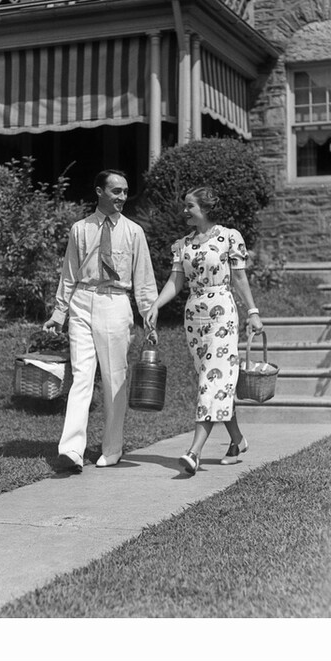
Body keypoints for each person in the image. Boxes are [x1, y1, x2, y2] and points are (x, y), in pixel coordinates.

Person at [44, 170, 158, 473]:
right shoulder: (80, 230)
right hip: (83, 300)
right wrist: (59, 312)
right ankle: (71, 449)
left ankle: (112, 448)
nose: (121, 197)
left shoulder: (134, 232)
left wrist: (149, 318)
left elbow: (144, 279)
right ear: (99, 192)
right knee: (82, 376)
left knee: (114, 378)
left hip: (115, 303)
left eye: (125, 191)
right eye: (115, 191)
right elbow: (69, 272)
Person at [146, 185, 264, 475]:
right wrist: (156, 306)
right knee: (215, 382)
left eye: (190, 206)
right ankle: (237, 440)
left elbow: (239, 278)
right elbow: (176, 282)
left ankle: (193, 453)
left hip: (222, 312)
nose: (184, 211)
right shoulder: (182, 244)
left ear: (205, 209)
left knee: (210, 383)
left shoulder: (228, 237)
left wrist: (253, 312)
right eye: (185, 206)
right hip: (194, 316)